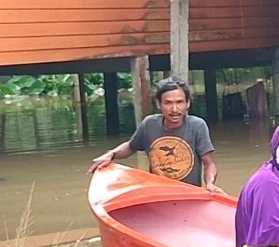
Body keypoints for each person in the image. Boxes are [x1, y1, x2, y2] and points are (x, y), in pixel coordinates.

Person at [88, 76, 222, 193]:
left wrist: (210, 184)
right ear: (159, 104)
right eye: (168, 103)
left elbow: (209, 164)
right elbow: (131, 146)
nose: (174, 109)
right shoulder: (149, 124)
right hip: (157, 193)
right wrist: (111, 154)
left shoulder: (197, 126)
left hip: (188, 193)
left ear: (187, 104)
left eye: (179, 102)